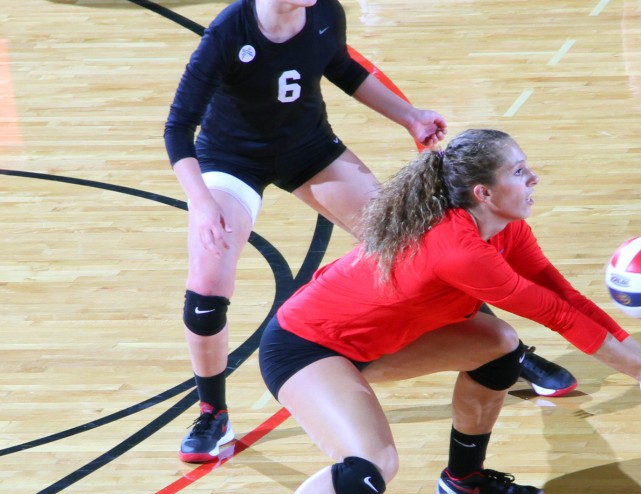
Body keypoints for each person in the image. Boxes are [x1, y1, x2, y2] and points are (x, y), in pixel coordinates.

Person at [200, 128, 641, 494]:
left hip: (377, 342)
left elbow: (566, 298)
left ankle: (463, 482)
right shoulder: (459, 250)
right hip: (305, 348)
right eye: (518, 172)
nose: (533, 177)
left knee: (499, 345)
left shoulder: (505, 229)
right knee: (370, 469)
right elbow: (556, 316)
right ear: (484, 193)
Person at [164, 0, 577, 464]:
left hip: (309, 149)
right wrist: (201, 204)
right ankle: (212, 411)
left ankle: (505, 353)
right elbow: (178, 128)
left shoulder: (323, 12)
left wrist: (409, 115)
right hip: (230, 160)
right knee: (208, 277)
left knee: (420, 247)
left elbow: (340, 66)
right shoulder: (228, 32)